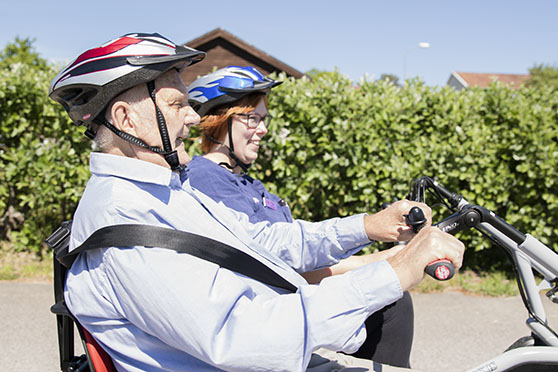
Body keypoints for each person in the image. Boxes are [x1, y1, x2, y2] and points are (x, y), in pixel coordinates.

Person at [49, 32, 465, 372]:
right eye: (177, 104)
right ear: (126, 120)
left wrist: (366, 226)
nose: (193, 118)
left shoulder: (167, 192)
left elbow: (260, 241)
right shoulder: (126, 221)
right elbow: (242, 338)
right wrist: (395, 270)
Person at [186, 66, 414, 367]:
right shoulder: (206, 178)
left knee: (391, 296)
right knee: (392, 304)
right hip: (268, 315)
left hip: (292, 298)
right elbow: (270, 262)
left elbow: (298, 254)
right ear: (218, 120)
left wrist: (388, 259)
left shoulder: (249, 184)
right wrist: (380, 261)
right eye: (252, 118)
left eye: (263, 119)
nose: (263, 129)